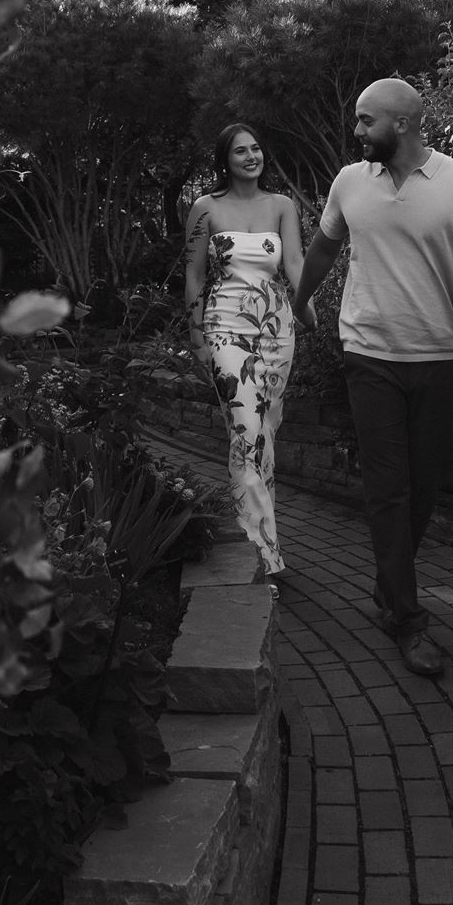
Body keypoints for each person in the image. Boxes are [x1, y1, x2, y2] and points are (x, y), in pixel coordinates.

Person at [292, 78, 453, 677]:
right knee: (388, 488)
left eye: (365, 121)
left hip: (434, 355)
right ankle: (409, 621)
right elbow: (325, 249)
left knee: (424, 486)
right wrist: (301, 300)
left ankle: (388, 592)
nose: (356, 132)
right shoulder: (350, 183)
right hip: (369, 354)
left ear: (401, 124)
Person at [184, 124, 316, 580]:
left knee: (265, 439)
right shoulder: (206, 208)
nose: (251, 156)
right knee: (247, 435)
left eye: (256, 148)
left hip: (276, 331)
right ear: (225, 159)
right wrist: (197, 338)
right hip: (224, 330)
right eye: (240, 151)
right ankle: (261, 559)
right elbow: (195, 276)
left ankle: (258, 542)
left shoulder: (281, 205)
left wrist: (308, 308)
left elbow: (295, 263)